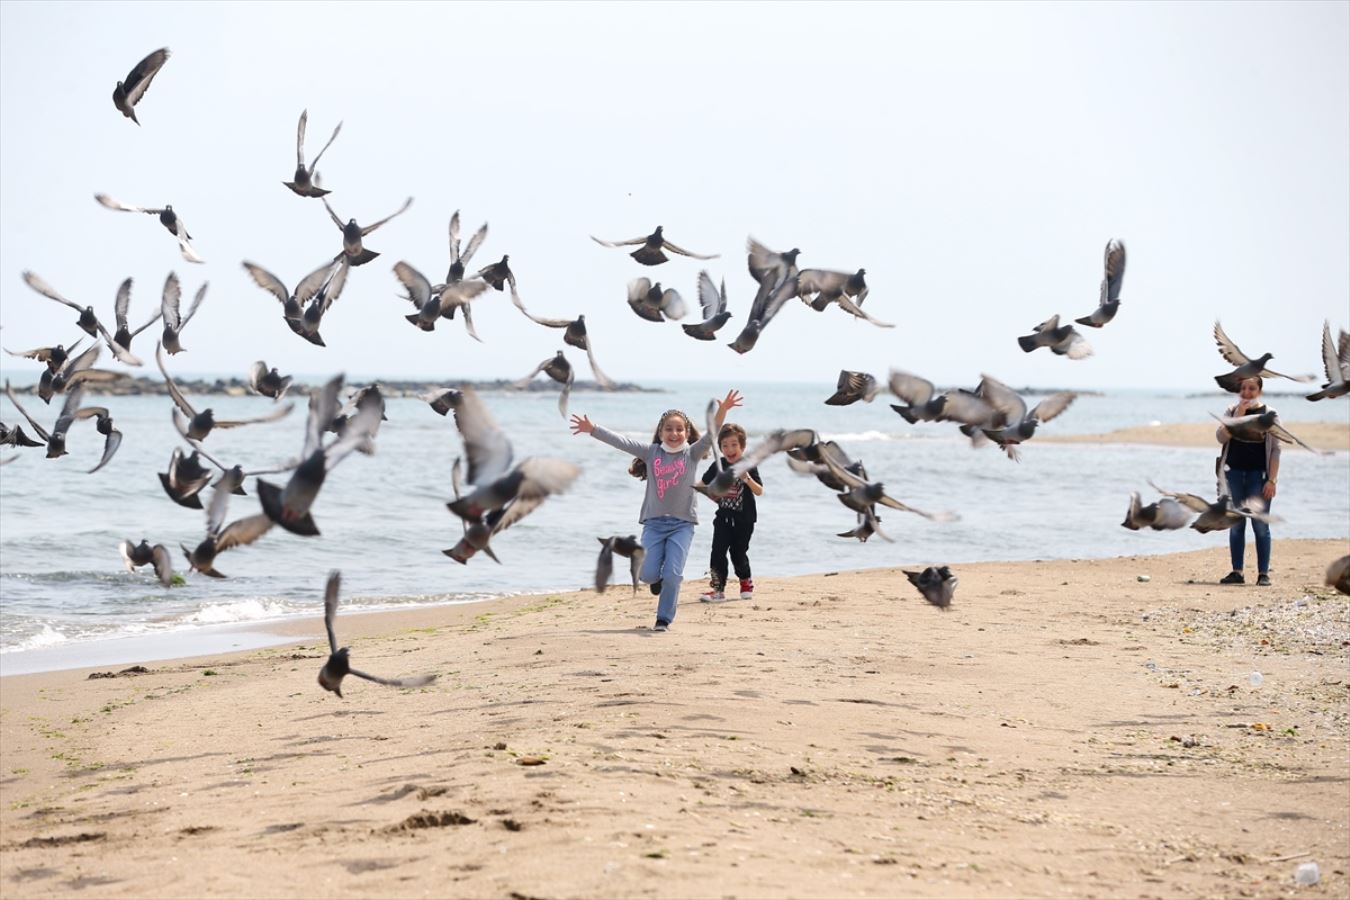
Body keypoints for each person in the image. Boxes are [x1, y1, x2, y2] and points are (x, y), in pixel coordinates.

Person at [570, 390, 742, 632]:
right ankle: (656, 581)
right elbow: (622, 441)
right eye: (669, 429)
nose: (674, 434)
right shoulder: (651, 453)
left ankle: (663, 619)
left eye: (679, 429)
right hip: (654, 524)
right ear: (661, 432)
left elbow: (714, 430)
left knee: (673, 573)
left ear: (686, 432)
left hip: (683, 524)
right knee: (648, 574)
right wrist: (593, 428)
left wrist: (723, 409)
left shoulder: (692, 453)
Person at [1215, 375, 1281, 586]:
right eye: (1243, 388)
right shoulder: (1231, 411)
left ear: (1259, 390)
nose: (1246, 392)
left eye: (1251, 388)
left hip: (1258, 477)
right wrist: (1239, 415)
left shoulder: (1269, 414)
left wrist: (1272, 480)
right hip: (1233, 474)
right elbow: (1220, 438)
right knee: (1236, 525)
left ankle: (1263, 574)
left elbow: (1276, 451)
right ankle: (1237, 572)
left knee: (1260, 525)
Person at [698, 423, 763, 602]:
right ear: (720, 448)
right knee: (717, 552)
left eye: (734, 444)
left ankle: (745, 581)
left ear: (742, 446)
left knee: (738, 553)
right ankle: (718, 591)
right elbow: (701, 484)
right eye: (725, 445)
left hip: (745, 519)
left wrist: (747, 479)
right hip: (723, 518)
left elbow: (759, 491)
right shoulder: (718, 466)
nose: (730, 449)